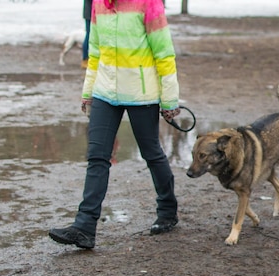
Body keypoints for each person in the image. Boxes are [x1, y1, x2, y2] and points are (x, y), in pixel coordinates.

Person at [49, 0, 182, 249]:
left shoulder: (149, 3)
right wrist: (88, 91)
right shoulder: (99, 3)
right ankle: (84, 227)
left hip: (141, 93)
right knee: (97, 156)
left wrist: (169, 99)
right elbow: (95, 51)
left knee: (151, 153)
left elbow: (164, 54)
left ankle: (167, 210)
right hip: (105, 92)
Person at [81, 0, 92, 69]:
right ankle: (85, 59)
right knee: (89, 35)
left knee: (89, 35)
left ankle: (86, 59)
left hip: (90, 13)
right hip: (90, 14)